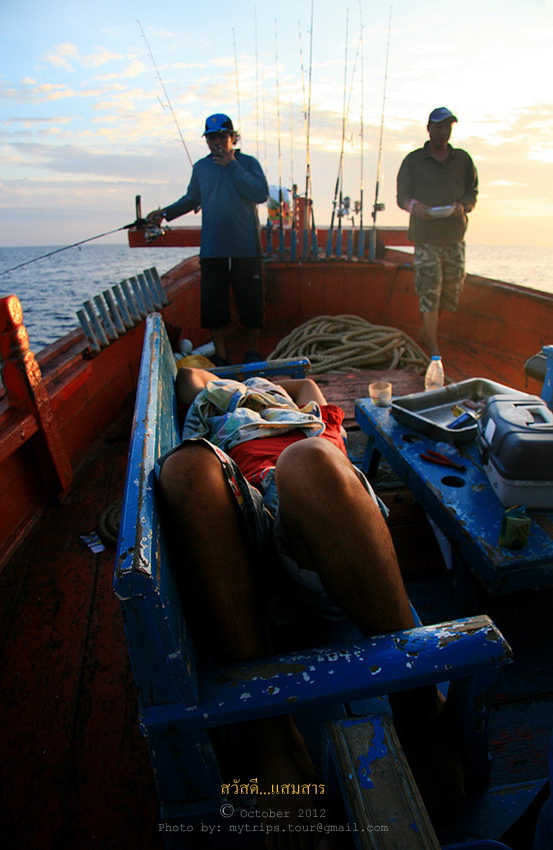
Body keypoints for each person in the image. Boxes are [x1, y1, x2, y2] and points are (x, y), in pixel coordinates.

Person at [157, 366, 466, 848]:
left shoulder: (311, 419)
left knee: (309, 459)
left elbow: (303, 385)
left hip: (324, 531)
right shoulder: (221, 410)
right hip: (241, 522)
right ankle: (273, 736)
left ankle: (420, 706)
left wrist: (275, 385)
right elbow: (188, 376)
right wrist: (236, 382)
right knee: (185, 471)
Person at [147, 113, 269, 366]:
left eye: (222, 136)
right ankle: (222, 356)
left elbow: (260, 193)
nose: (216, 142)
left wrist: (231, 165)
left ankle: (253, 350)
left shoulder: (247, 163)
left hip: (246, 250)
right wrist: (164, 214)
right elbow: (191, 199)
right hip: (213, 250)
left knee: (251, 304)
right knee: (215, 308)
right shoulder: (201, 168)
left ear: (233, 138)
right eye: (211, 137)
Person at [397, 107, 478, 357]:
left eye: (447, 127)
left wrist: (462, 206)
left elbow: (472, 194)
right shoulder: (413, 160)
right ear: (428, 128)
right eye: (438, 127)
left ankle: (425, 331)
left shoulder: (463, 159)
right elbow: (402, 197)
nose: (443, 132)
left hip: (454, 235)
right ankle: (433, 346)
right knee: (430, 290)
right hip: (425, 237)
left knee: (451, 290)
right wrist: (414, 207)